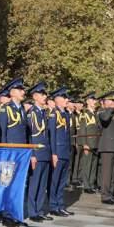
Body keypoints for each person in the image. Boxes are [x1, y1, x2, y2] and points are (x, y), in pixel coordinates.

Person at [0, 78, 29, 227]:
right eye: (20, 89)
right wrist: (4, 152)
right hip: (9, 152)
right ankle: (7, 216)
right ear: (13, 92)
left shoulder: (21, 108)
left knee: (18, 184)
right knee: (7, 184)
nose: (24, 92)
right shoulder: (5, 108)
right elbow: (2, 133)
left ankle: (16, 214)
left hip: (21, 152)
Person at [26, 81, 52, 223]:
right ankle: (32, 211)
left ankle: (40, 210)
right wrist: (32, 154)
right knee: (34, 183)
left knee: (42, 184)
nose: (45, 96)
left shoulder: (43, 113)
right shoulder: (31, 113)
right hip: (36, 153)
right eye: (42, 94)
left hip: (45, 152)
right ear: (35, 96)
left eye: (45, 94)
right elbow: (29, 135)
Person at [47, 87, 74, 217]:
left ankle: (61, 205)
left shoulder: (66, 114)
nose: (67, 100)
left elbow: (67, 134)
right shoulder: (53, 114)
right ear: (58, 99)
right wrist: (53, 153)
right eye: (64, 98)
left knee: (62, 181)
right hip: (57, 151)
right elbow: (51, 135)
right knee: (55, 180)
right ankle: (53, 205)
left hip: (65, 151)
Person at [98, 92, 114, 205]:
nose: (112, 102)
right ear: (104, 102)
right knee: (107, 174)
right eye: (109, 101)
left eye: (113, 101)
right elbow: (105, 119)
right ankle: (105, 196)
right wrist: (111, 108)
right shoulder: (102, 112)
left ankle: (110, 194)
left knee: (113, 173)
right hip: (107, 147)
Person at [79, 93, 100, 194]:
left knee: (93, 165)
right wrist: (84, 143)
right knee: (87, 165)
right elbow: (82, 130)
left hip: (96, 143)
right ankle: (86, 185)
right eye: (92, 100)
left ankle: (91, 184)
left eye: (95, 100)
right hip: (88, 143)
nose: (94, 102)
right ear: (87, 102)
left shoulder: (95, 114)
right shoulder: (85, 114)